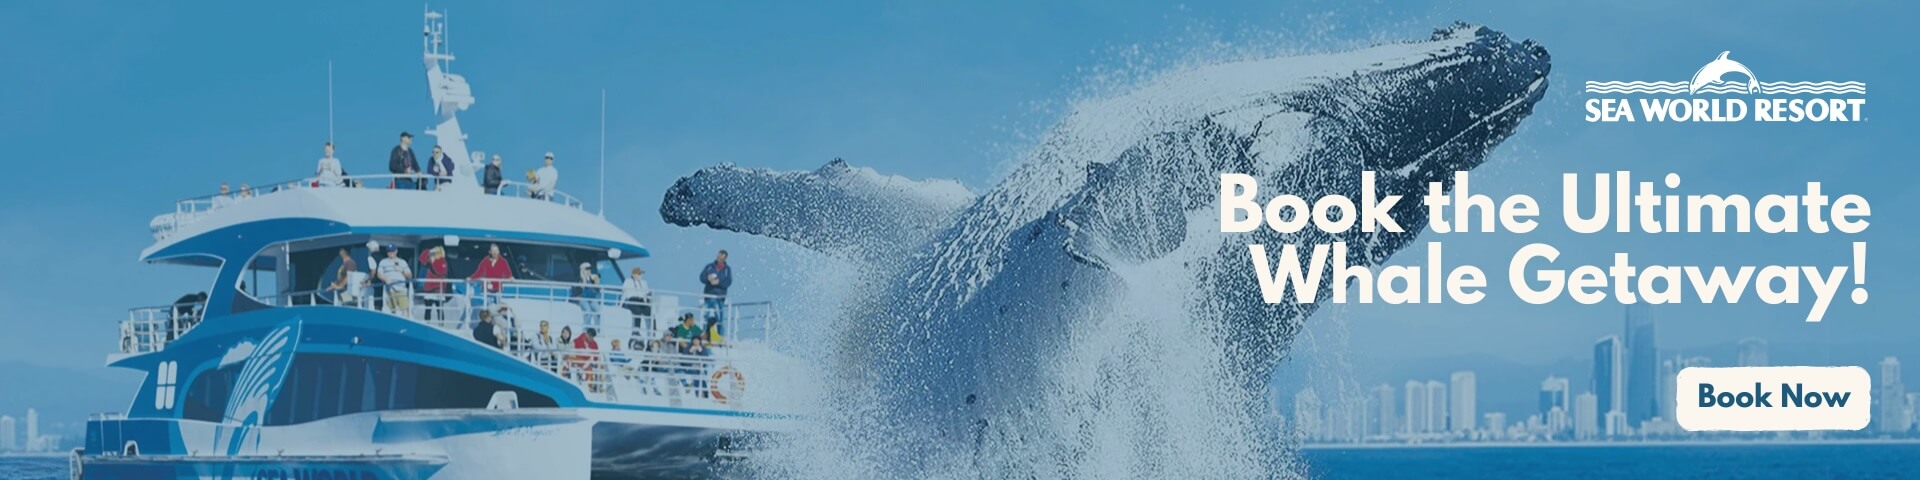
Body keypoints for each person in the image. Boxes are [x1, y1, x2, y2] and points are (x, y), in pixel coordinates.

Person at [698, 250, 733, 330]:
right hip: (708, 296)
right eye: (718, 257)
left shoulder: (727, 270)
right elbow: (701, 277)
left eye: (721, 258)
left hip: (720, 298)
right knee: (705, 317)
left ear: (725, 258)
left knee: (719, 318)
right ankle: (705, 334)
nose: (719, 259)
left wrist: (718, 282)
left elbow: (728, 282)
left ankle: (720, 336)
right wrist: (708, 279)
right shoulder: (709, 267)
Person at [375, 244, 412, 315]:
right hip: (389, 289)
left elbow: (409, 275)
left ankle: (405, 324)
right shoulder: (383, 262)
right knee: (391, 309)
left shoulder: (402, 262)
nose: (391, 253)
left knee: (404, 308)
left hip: (401, 289)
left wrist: (401, 270)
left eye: (392, 251)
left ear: (396, 251)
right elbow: (379, 274)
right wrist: (385, 279)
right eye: (389, 251)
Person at [418, 246, 450, 324]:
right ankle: (427, 324)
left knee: (439, 309)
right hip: (429, 289)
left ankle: (441, 325)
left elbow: (440, 271)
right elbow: (421, 258)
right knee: (428, 309)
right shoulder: (430, 260)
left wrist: (433, 262)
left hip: (438, 289)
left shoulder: (443, 261)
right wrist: (428, 251)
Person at [572, 327, 602, 392]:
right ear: (587, 334)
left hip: (590, 362)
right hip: (579, 361)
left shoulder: (594, 343)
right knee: (589, 368)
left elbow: (596, 356)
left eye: (593, 337)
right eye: (590, 336)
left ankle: (597, 387)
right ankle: (588, 386)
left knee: (600, 367)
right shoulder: (578, 340)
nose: (591, 338)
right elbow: (574, 350)